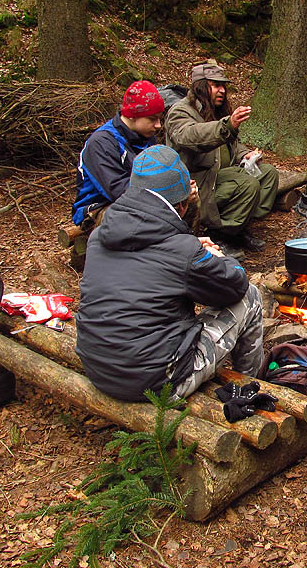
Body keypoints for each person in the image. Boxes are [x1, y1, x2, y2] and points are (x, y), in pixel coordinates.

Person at [76, 145, 265, 402]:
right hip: (157, 382)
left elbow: (156, 257)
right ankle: (250, 386)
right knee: (251, 297)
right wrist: (219, 259)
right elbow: (234, 285)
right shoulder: (181, 251)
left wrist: (193, 250)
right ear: (182, 205)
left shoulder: (99, 235)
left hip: (99, 369)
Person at [165, 61, 278, 257]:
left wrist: (245, 154)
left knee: (268, 174)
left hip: (220, 175)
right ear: (200, 86)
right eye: (216, 85)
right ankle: (220, 235)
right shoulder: (180, 111)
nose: (222, 90)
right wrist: (227, 125)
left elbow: (230, 145)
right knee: (247, 184)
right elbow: (190, 136)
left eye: (223, 86)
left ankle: (238, 228)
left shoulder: (215, 111)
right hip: (198, 182)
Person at [71, 80, 163, 226]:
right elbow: (117, 190)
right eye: (152, 119)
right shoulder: (101, 143)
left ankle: (185, 244)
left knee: (189, 200)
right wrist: (163, 190)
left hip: (140, 199)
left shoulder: (147, 137)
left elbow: (161, 171)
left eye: (159, 118)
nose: (158, 125)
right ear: (133, 115)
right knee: (136, 215)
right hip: (99, 208)